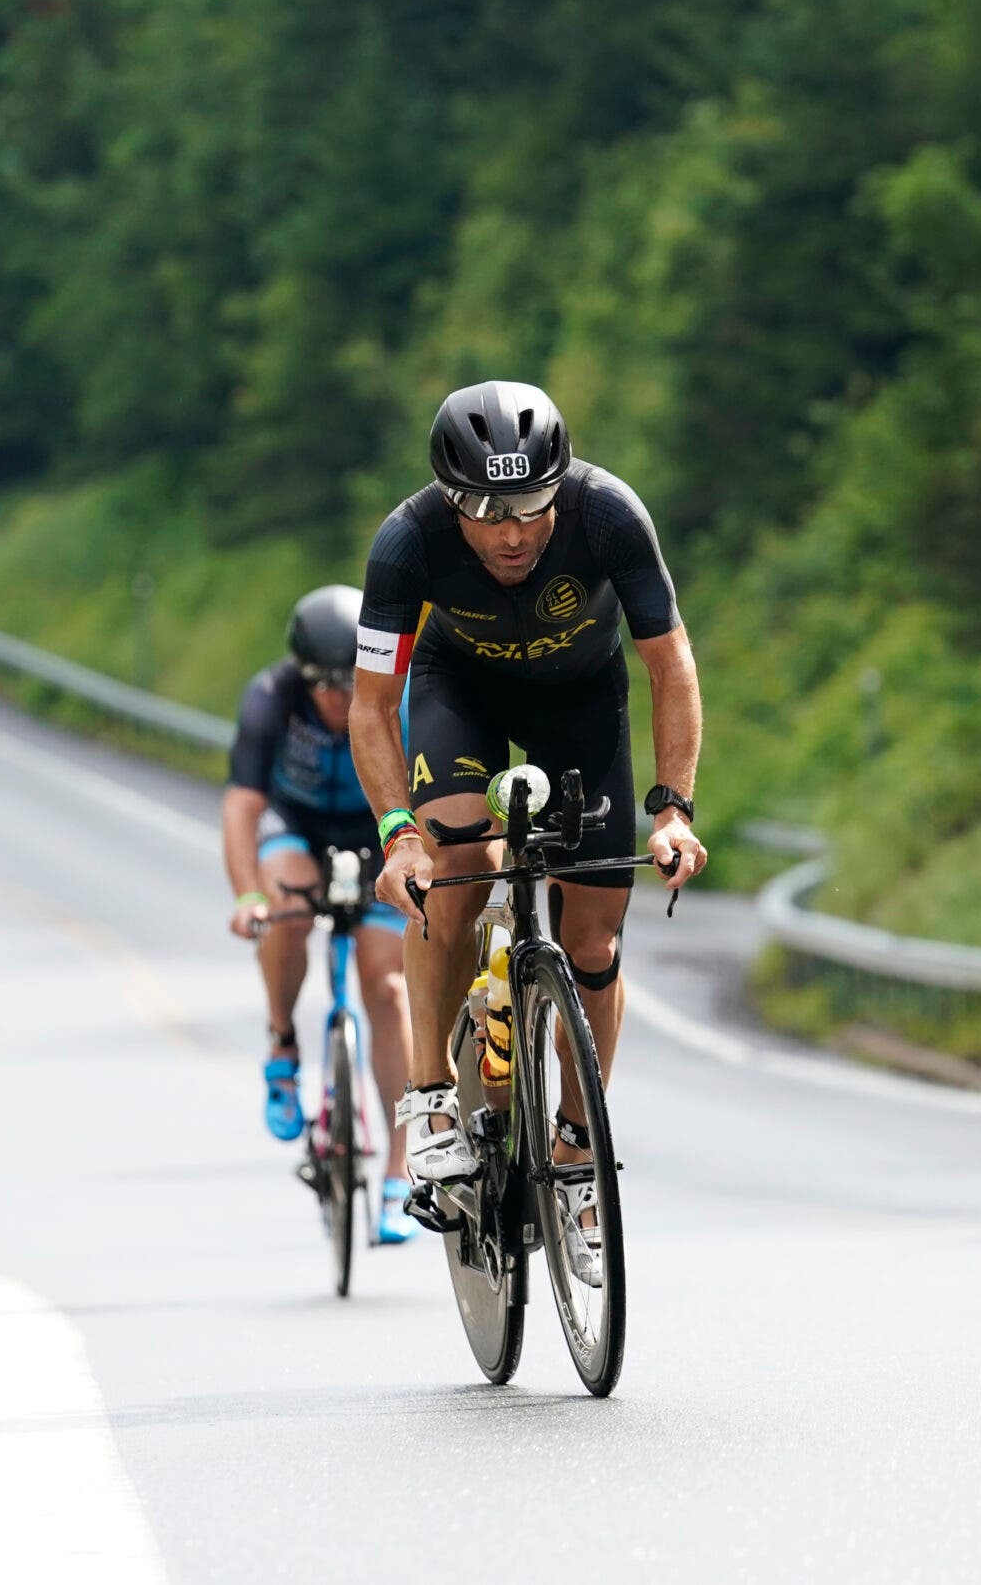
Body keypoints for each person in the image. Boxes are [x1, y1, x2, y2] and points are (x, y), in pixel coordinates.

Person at [353, 379, 707, 1286]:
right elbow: (371, 705)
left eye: (529, 507)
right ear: (447, 499)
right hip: (457, 692)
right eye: (483, 509)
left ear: (559, 487)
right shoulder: (407, 542)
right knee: (456, 862)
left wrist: (671, 809)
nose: (510, 532)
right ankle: (430, 1098)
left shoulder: (609, 516)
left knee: (593, 935)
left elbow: (670, 666)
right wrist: (399, 834)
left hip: (583, 702)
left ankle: (579, 1154)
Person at [224, 585, 420, 1244]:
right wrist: (248, 894)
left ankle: (399, 1172)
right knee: (284, 910)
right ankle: (282, 1042)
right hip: (299, 827)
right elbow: (243, 806)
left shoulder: (399, 694)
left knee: (386, 985)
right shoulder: (271, 697)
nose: (342, 702)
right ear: (303, 679)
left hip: (378, 835)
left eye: (351, 685)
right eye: (327, 690)